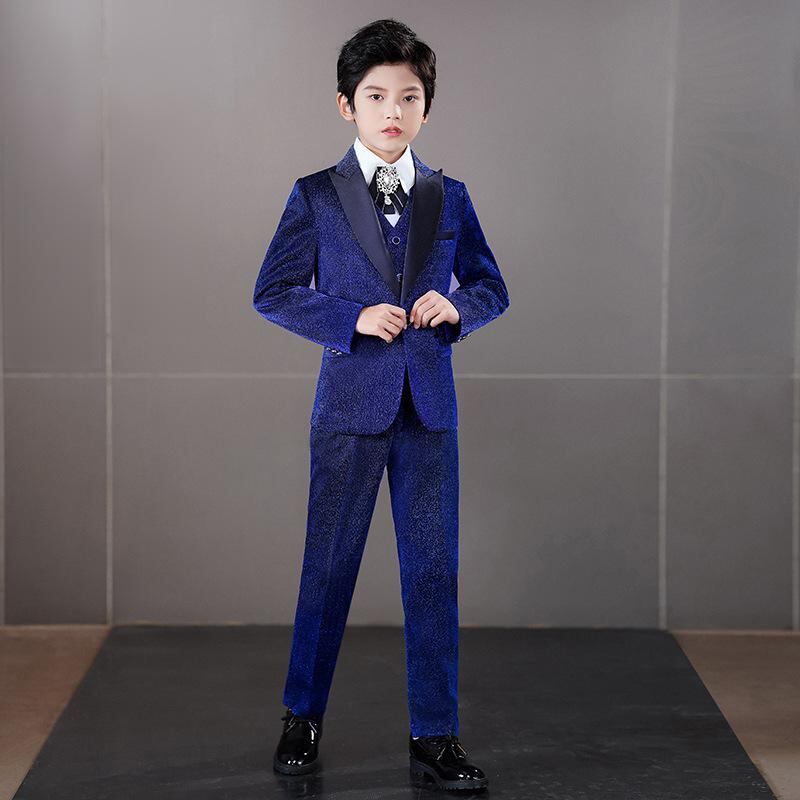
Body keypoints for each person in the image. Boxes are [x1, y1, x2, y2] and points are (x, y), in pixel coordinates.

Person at [252, 18, 509, 792]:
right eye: (375, 96)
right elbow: (273, 291)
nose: (392, 110)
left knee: (432, 574)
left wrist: (457, 309)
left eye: (408, 97)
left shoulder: (449, 196)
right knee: (327, 569)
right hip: (350, 408)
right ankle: (302, 717)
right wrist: (351, 318)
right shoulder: (316, 196)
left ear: (426, 107)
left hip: (429, 411)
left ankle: (436, 734)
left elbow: (491, 286)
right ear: (347, 105)